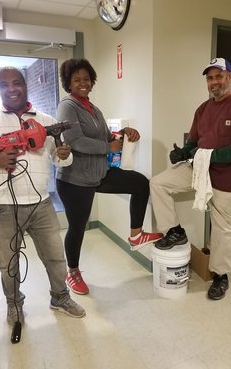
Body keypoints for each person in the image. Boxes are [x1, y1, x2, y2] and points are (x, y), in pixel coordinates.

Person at [0, 67, 86, 329]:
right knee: (8, 263)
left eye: (16, 83)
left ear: (25, 85)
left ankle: (60, 297)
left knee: (56, 258)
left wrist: (64, 154)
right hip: (2, 206)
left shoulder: (45, 120)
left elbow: (60, 159)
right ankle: (14, 304)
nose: (11, 89)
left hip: (41, 203)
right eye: (4, 85)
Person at [150, 58, 231, 300]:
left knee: (222, 227)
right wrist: (182, 152)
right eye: (210, 78)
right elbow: (194, 141)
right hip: (199, 169)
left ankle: (220, 276)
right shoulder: (203, 109)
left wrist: (217, 156)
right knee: (159, 183)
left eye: (219, 76)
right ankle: (174, 231)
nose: (214, 82)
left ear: (230, 77)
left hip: (227, 176)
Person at [56, 58, 162, 295]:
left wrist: (123, 133)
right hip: (74, 180)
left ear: (92, 81)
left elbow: (104, 136)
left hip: (99, 174)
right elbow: (76, 141)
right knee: (77, 228)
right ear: (69, 83)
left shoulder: (93, 108)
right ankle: (72, 272)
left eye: (86, 78)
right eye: (77, 79)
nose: (83, 83)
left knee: (140, 182)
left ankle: (136, 235)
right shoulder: (68, 106)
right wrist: (109, 147)